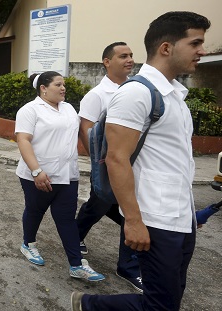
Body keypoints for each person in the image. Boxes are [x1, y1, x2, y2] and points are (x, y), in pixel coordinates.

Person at [71, 11, 210, 311]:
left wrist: (190, 212)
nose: (202, 50)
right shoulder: (137, 93)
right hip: (155, 219)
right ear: (166, 48)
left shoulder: (175, 97)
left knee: (170, 298)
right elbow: (116, 159)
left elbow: (173, 162)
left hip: (180, 218)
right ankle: (89, 304)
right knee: (160, 306)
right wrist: (132, 221)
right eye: (195, 42)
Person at [15, 71, 105, 282]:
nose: (63, 88)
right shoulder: (30, 110)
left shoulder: (68, 108)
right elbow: (23, 140)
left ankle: (77, 265)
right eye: (58, 84)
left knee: (66, 219)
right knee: (35, 211)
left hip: (67, 175)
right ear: (43, 88)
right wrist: (36, 171)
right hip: (37, 175)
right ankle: (28, 244)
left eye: (63, 84)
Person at [76, 42, 142, 292]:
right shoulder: (97, 95)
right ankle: (75, 235)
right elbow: (87, 129)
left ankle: (128, 264)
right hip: (106, 165)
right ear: (106, 62)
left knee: (127, 209)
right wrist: (96, 165)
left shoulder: (136, 90)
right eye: (123, 56)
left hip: (132, 164)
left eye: (131, 55)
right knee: (98, 205)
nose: (129, 59)